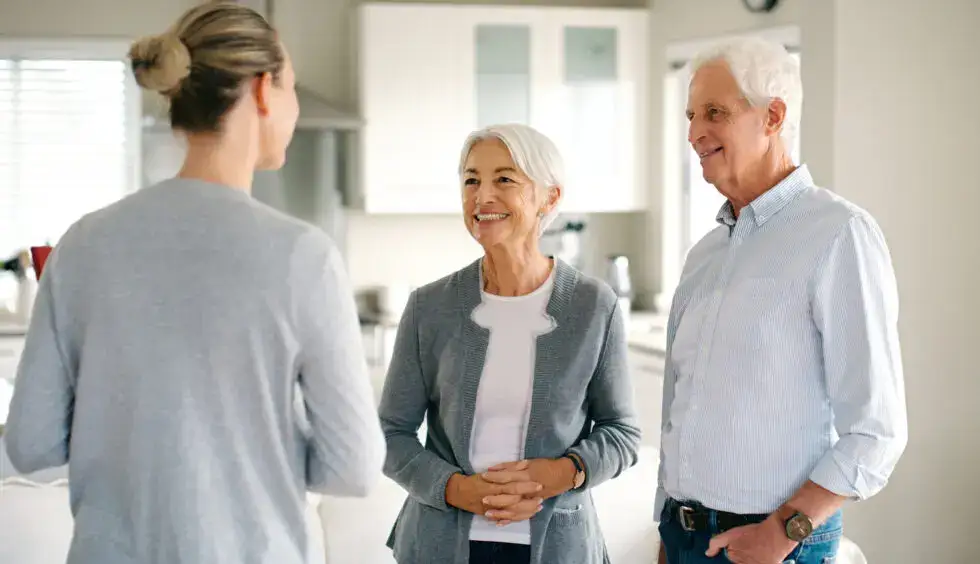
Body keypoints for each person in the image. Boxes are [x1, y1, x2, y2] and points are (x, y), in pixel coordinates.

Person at [4, 3, 385, 562]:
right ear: (261, 90)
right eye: (292, 88)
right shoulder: (303, 257)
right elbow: (352, 469)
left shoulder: (83, 245)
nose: (296, 106)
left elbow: (30, 445)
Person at [655, 37, 908, 564]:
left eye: (715, 113)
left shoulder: (839, 234)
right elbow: (678, 411)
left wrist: (783, 532)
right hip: (683, 535)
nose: (694, 132)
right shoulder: (704, 254)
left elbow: (876, 431)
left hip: (772, 543)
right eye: (691, 115)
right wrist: (667, 528)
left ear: (772, 116)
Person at [378, 123, 641, 564]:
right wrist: (458, 490)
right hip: (441, 546)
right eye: (471, 180)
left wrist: (562, 473)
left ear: (550, 197)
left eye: (504, 179)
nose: (482, 196)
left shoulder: (595, 307)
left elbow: (622, 433)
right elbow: (390, 434)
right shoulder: (429, 307)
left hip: (558, 549)